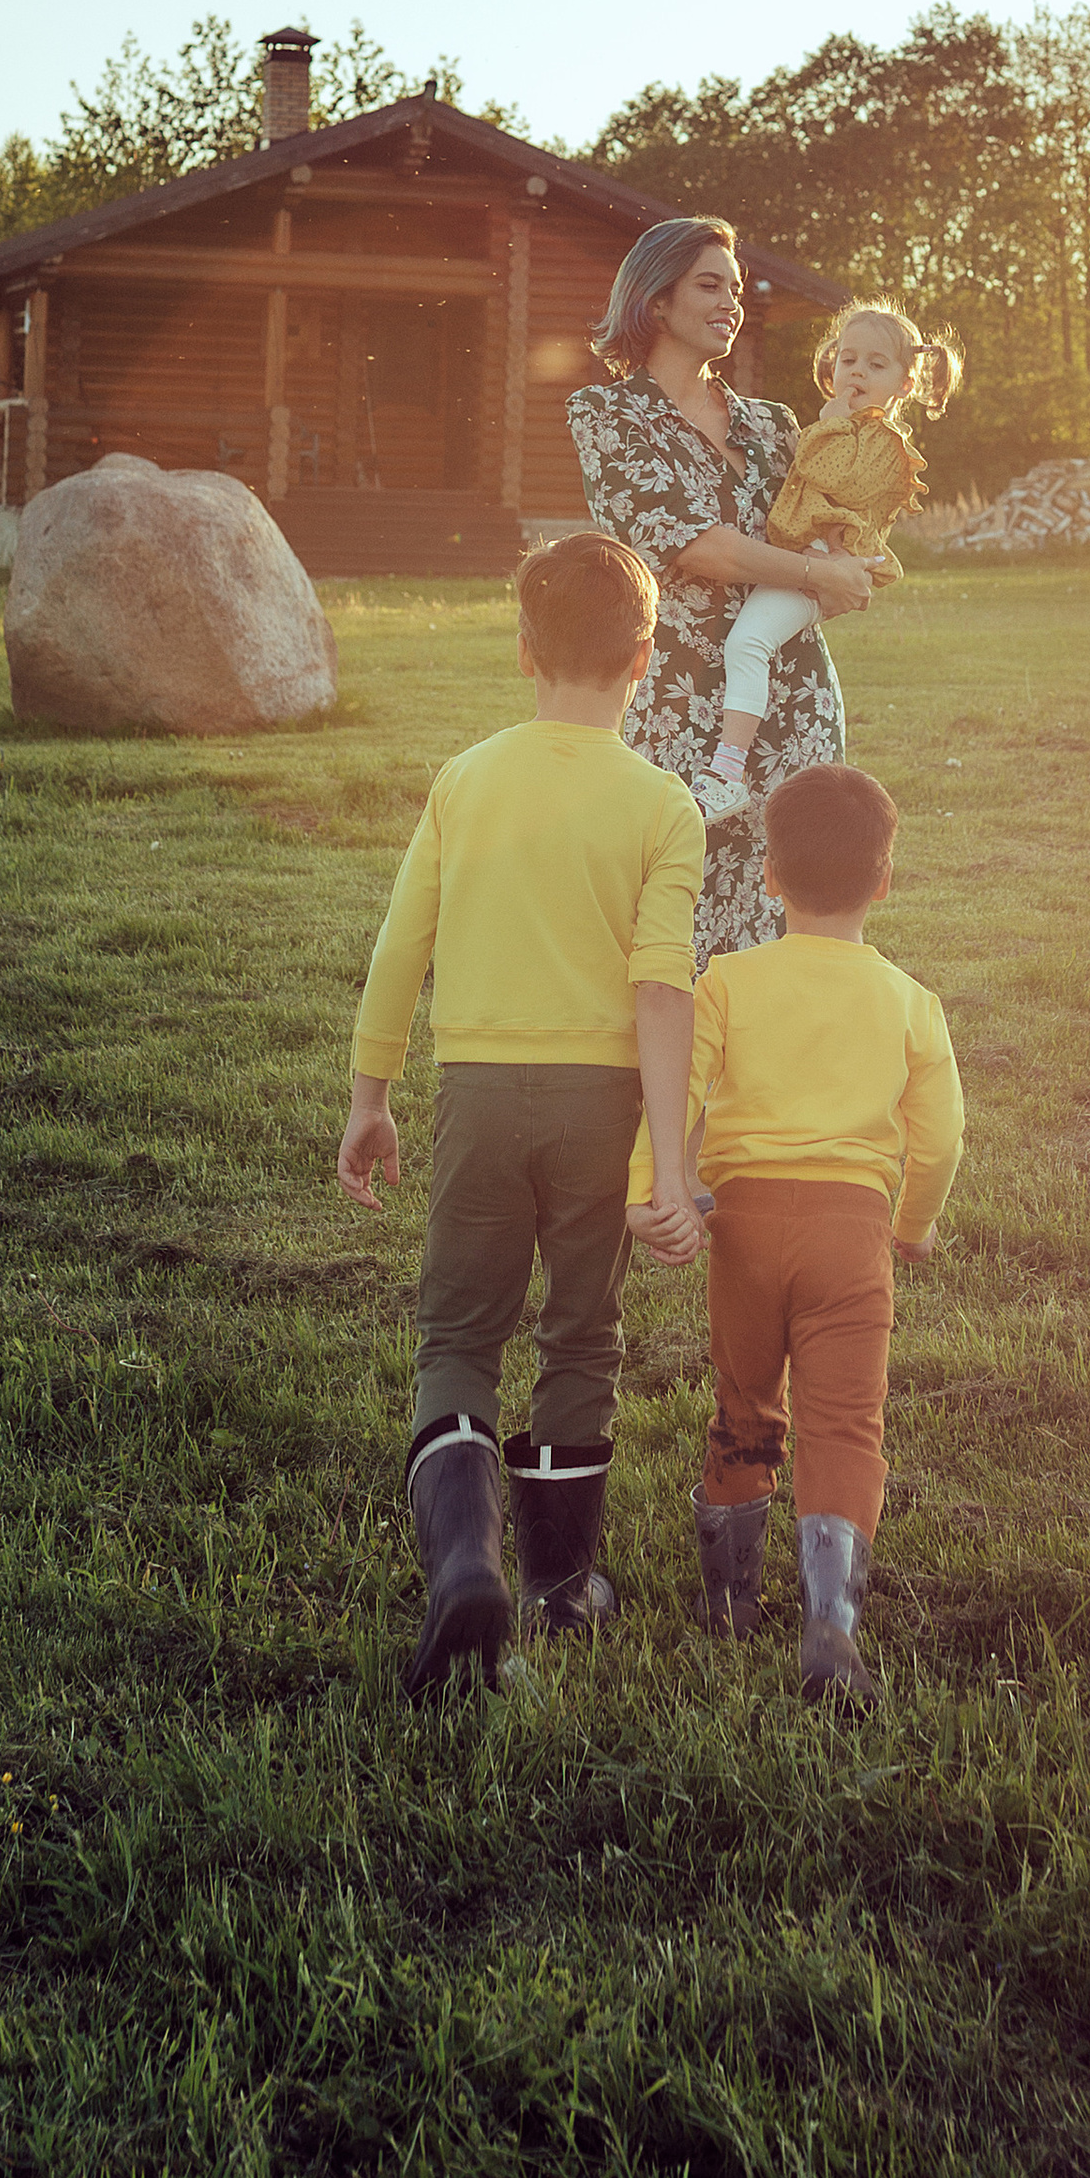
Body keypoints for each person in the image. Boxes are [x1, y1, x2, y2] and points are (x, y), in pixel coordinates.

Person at [334, 531, 708, 1699]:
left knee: (458, 1337)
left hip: (480, 1096)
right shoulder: (663, 805)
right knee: (580, 1335)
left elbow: (403, 947)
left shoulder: (467, 777)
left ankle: (461, 1565)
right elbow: (661, 990)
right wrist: (668, 1164)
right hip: (601, 1106)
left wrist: (371, 1096)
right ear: (644, 660)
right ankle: (559, 1586)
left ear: (521, 654)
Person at [624, 762, 963, 1708]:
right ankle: (830, 1621)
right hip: (853, 1233)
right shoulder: (910, 1003)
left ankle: (728, 1604)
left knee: (744, 1406)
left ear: (768, 875)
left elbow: (678, 1091)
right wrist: (916, 1225)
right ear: (884, 882)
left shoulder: (726, 983)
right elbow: (941, 1138)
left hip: (744, 1230)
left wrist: (658, 1191)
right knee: (844, 1423)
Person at [568, 216, 873, 967]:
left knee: (798, 922)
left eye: (736, 289)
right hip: (680, 698)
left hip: (794, 696)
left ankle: (782, 1081)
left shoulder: (774, 425)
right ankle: (675, 1084)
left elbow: (826, 525)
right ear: (656, 299)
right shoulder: (606, 415)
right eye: (709, 284)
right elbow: (692, 545)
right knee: (680, 919)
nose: (730, 301)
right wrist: (812, 573)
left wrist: (848, 562)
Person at [693, 303, 963, 823]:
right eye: (848, 358)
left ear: (905, 385)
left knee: (748, 642)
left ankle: (725, 774)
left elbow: (826, 473)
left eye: (876, 365)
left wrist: (828, 425)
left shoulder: (880, 442)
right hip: (808, 558)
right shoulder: (849, 430)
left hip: (820, 567)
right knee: (752, 642)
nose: (856, 371)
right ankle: (731, 767)